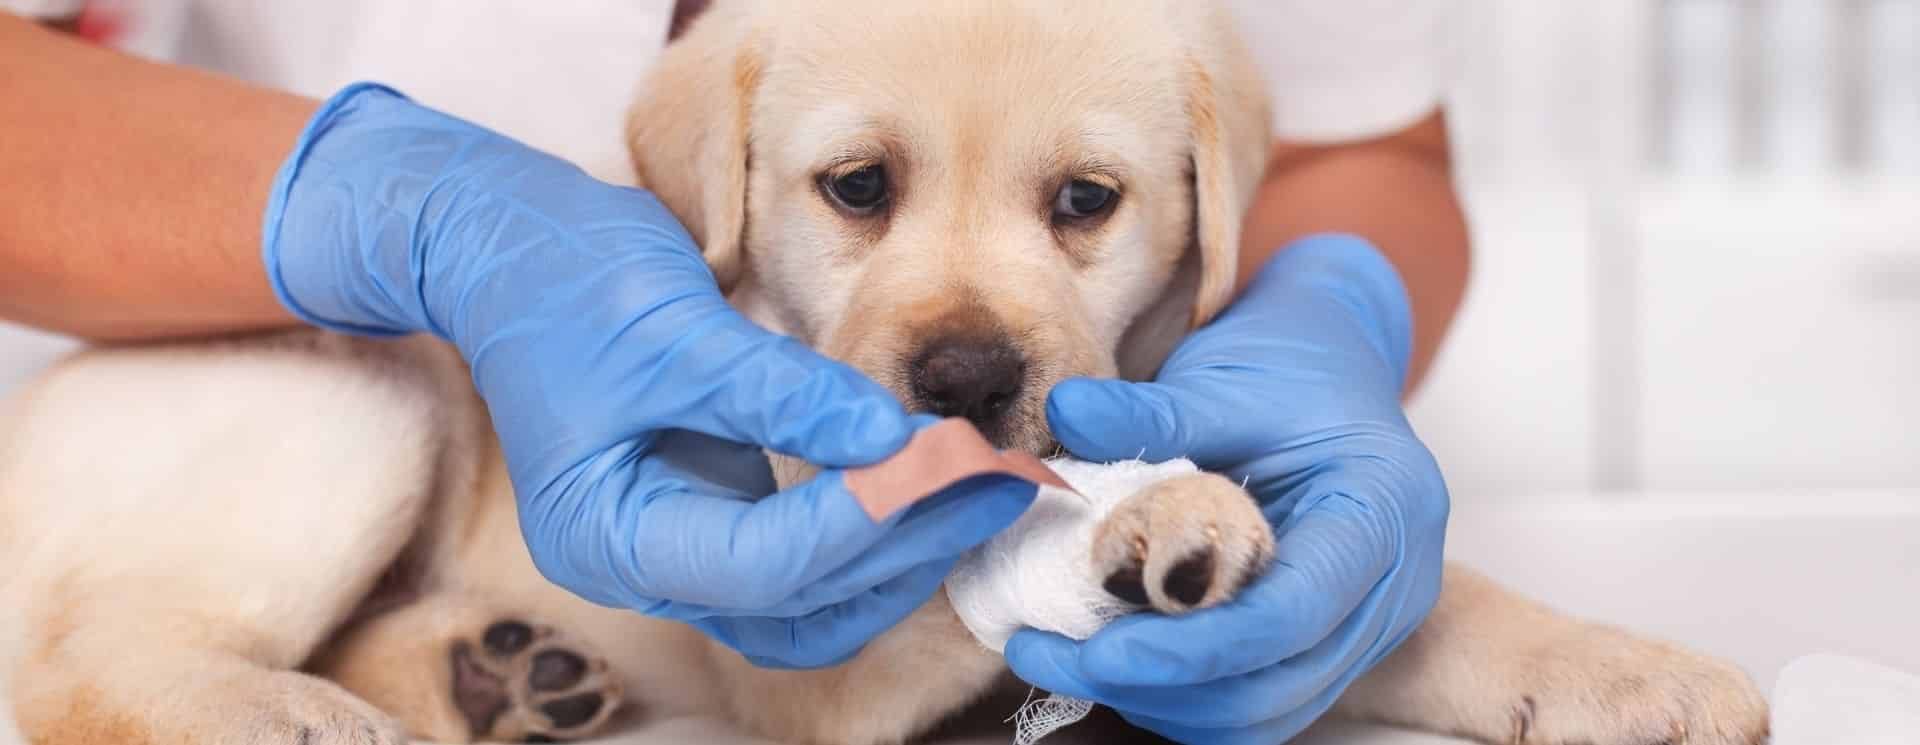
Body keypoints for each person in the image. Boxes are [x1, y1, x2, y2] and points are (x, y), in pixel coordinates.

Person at [0, 2, 1469, 742]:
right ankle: (140, 666)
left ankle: (412, 662)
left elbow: (1369, 146)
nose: (967, 340)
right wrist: (385, 210)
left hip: (467, 569)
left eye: (1082, 202)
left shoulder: (1162, 54)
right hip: (237, 342)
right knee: (354, 392)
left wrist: (1332, 308)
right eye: (857, 189)